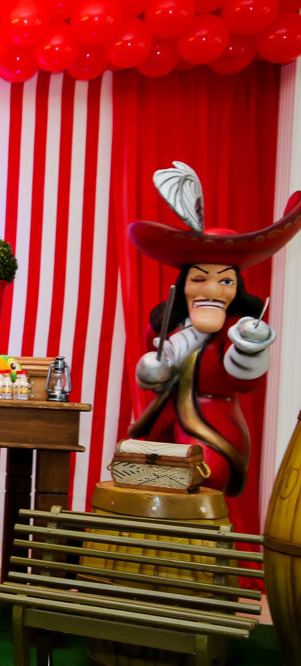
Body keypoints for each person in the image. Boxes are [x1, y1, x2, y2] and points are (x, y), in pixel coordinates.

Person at [128, 162, 301, 496]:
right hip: (164, 424)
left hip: (214, 428)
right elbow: (153, 371)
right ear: (184, 286)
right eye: (199, 278)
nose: (211, 290)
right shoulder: (168, 329)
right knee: (145, 481)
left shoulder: (237, 331)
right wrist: (153, 370)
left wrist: (249, 349)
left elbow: (245, 381)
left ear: (237, 290)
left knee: (204, 481)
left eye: (225, 281)